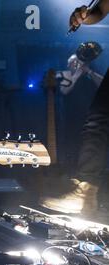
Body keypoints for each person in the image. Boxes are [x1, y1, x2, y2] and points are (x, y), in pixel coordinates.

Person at [41, 0, 109, 216]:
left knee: (98, 120)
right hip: (71, 117)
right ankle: (86, 192)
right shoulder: (68, 74)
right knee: (98, 119)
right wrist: (83, 16)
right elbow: (100, 9)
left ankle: (86, 193)